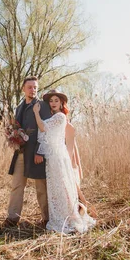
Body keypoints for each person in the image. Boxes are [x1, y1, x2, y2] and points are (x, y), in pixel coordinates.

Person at [33, 90, 96, 233]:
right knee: (56, 187)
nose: (53, 103)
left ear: (61, 103)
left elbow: (42, 127)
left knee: (62, 186)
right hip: (53, 157)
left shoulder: (60, 117)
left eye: (56, 100)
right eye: (51, 101)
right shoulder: (54, 117)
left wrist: (36, 113)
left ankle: (69, 217)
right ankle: (62, 215)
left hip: (58, 157)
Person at [4, 76, 53, 227]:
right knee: (17, 185)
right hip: (21, 152)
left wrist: (40, 152)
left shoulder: (42, 106)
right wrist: (13, 137)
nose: (33, 90)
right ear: (23, 89)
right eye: (30, 87)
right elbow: (16, 127)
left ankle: (47, 219)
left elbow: (46, 130)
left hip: (37, 152)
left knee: (41, 187)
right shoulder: (19, 107)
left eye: (35, 87)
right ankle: (12, 219)